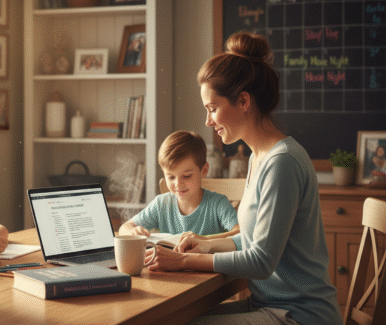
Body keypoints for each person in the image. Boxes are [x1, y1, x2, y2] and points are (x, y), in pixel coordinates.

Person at [144, 31, 343, 325]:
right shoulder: (258, 158)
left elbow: (261, 260)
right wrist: (205, 244)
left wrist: (184, 260)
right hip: (270, 305)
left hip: (299, 316)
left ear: (243, 101)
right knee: (171, 318)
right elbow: (255, 240)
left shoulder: (282, 162)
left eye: (212, 108)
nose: (207, 121)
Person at [119, 130, 239, 239]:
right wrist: (133, 231)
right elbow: (124, 228)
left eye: (186, 176)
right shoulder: (161, 204)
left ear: (204, 170)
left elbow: (240, 233)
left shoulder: (217, 204)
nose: (178, 184)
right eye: (171, 177)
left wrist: (205, 241)